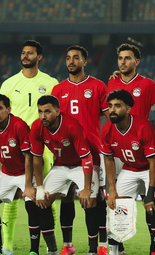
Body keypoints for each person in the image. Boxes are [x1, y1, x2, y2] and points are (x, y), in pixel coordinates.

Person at [108, 43, 155, 255]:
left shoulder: (148, 84)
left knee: (152, 206)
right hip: (122, 150)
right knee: (117, 206)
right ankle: (118, 248)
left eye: (128, 58)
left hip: (144, 145)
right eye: (120, 58)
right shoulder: (112, 82)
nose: (123, 62)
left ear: (137, 61)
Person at [0, 40, 58, 255]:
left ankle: (50, 247)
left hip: (44, 147)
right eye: (23, 53)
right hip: (15, 147)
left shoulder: (50, 82)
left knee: (44, 196)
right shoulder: (8, 84)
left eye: (30, 53)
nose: (25, 56)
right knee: (10, 198)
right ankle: (6, 247)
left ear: (39, 57)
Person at [51, 45, 109, 255]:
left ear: (85, 62)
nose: (71, 61)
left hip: (92, 151)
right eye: (68, 58)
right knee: (66, 196)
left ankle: (101, 244)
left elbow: (108, 115)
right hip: (66, 153)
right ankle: (68, 245)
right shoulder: (58, 90)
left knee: (95, 198)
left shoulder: (98, 86)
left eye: (76, 58)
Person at [30, 95, 99, 255]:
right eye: (40, 111)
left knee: (90, 200)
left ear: (58, 111)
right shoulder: (37, 127)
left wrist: (87, 188)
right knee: (42, 201)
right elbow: (36, 158)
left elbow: (86, 158)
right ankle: (55, 249)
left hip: (80, 165)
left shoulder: (71, 125)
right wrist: (39, 187)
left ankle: (93, 251)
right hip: (61, 165)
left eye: (47, 111)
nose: (43, 116)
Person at [100, 90, 155, 255]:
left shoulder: (143, 127)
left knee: (153, 207)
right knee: (116, 208)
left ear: (128, 109)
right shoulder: (107, 129)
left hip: (152, 167)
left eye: (117, 106)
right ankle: (114, 251)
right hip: (130, 168)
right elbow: (109, 160)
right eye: (110, 106)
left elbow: (153, 162)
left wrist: (150, 194)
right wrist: (112, 191)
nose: (112, 110)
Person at [0, 94, 39, 255]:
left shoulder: (19, 125)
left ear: (8, 110)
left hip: (26, 172)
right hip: (7, 172)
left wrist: (28, 185)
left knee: (31, 203)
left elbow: (28, 157)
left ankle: (34, 251)